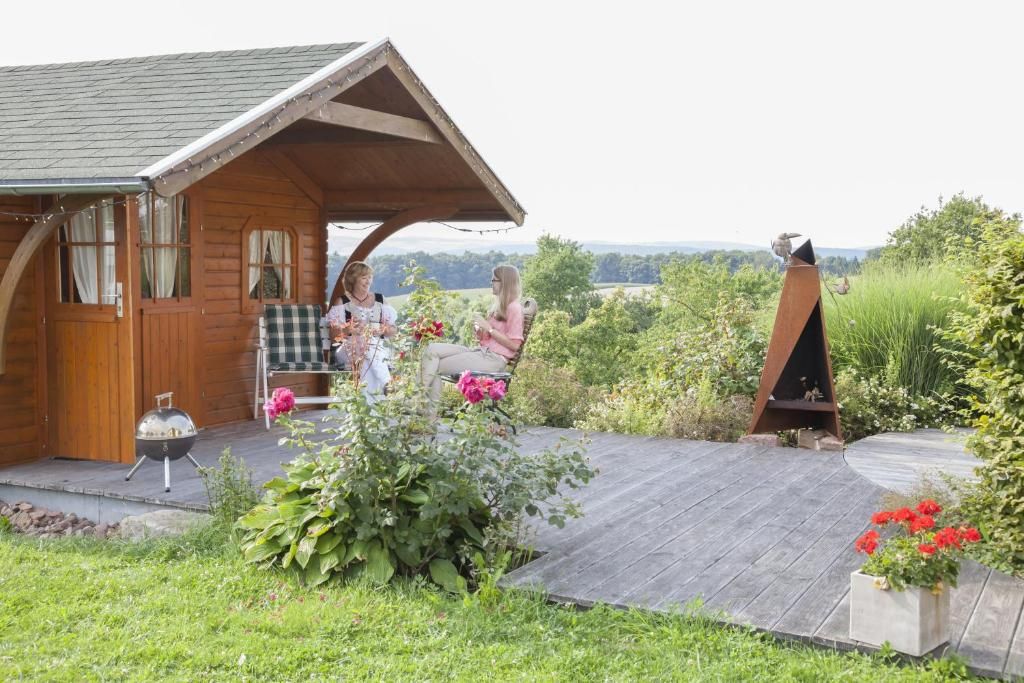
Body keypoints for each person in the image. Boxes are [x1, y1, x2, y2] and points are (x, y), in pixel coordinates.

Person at [420, 264, 524, 418]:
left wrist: (489, 328)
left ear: (504, 283)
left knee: (434, 367)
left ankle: (420, 406)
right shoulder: (499, 306)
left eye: (494, 280)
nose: (491, 283)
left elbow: (514, 345)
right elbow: (488, 337)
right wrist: (481, 331)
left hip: (493, 359)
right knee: (432, 349)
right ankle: (420, 403)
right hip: (481, 352)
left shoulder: (514, 308)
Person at [325, 261, 396, 401]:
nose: (368, 280)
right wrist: (348, 329)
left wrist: (383, 329)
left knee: (366, 355)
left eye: (370, 277)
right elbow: (334, 337)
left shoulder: (380, 300)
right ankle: (387, 383)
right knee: (365, 343)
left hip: (375, 350)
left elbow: (393, 330)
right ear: (353, 279)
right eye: (364, 277)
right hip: (347, 350)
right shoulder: (342, 302)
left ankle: (368, 407)